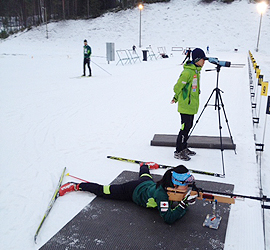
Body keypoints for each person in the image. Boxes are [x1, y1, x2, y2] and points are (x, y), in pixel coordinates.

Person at [59, 164, 197, 224]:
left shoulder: (169, 185)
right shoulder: (162, 195)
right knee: (105, 191)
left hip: (147, 184)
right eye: (185, 183)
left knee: (145, 175)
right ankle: (76, 185)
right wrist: (183, 204)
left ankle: (144, 165)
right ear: (176, 183)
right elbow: (168, 218)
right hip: (132, 191)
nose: (187, 186)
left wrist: (185, 200)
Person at [171, 48, 207, 161]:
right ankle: (178, 151)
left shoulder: (196, 71)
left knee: (189, 127)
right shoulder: (188, 72)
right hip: (186, 106)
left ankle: (184, 147)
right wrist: (176, 97)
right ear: (196, 59)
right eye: (202, 59)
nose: (204, 62)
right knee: (184, 128)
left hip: (191, 106)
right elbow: (177, 87)